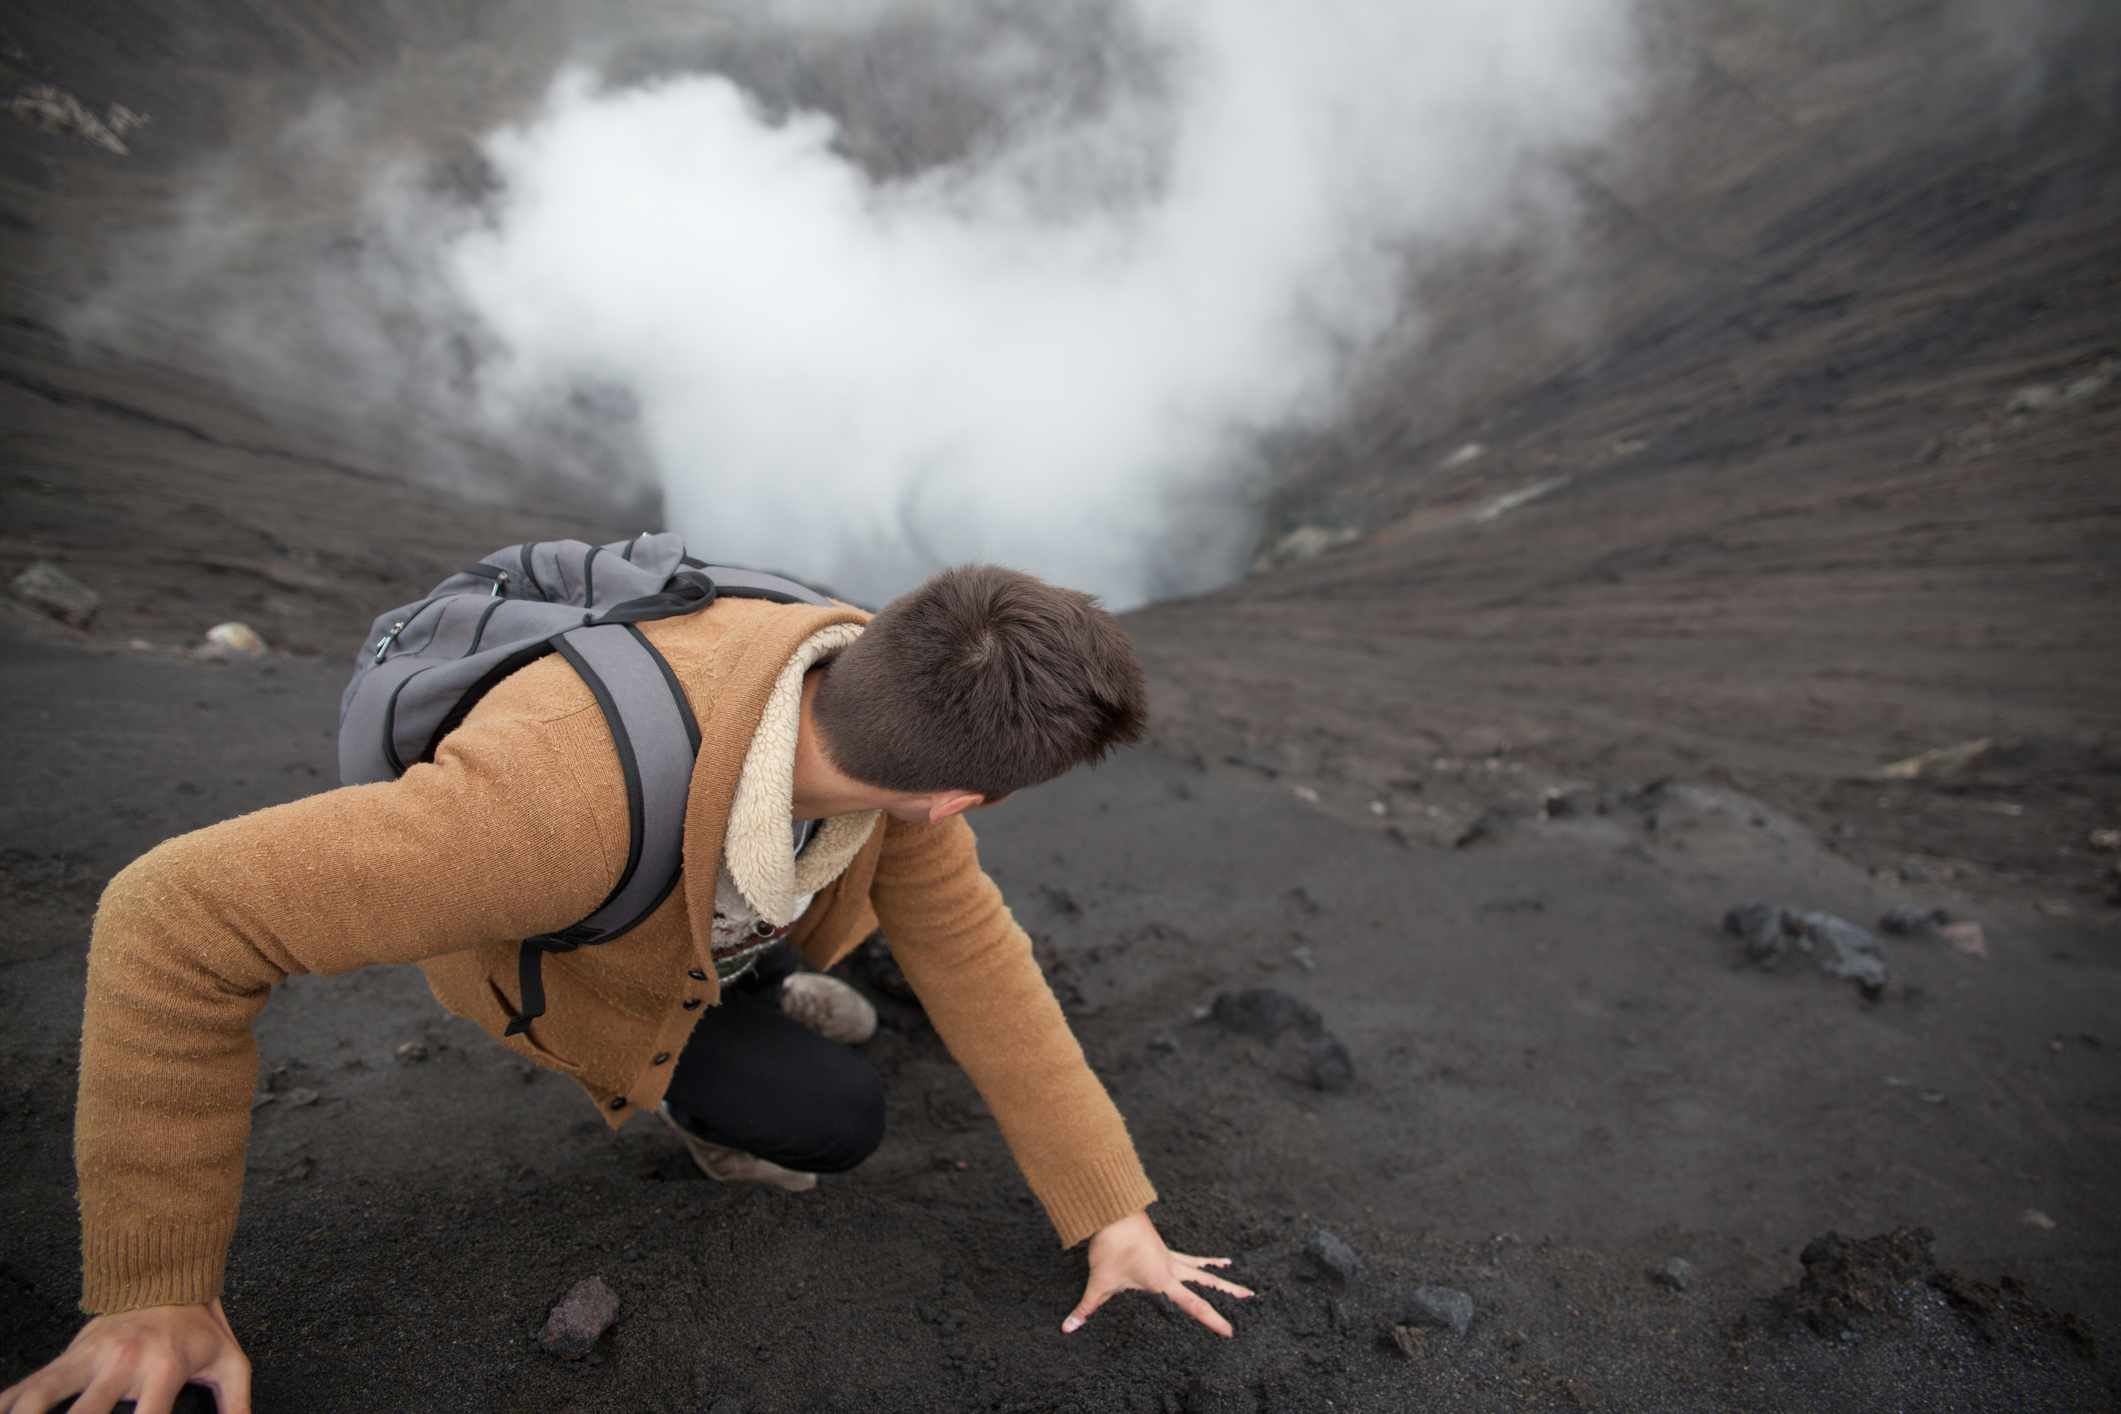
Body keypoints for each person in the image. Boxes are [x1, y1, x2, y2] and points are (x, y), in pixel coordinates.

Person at [1, 564, 1251, 1414]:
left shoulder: (866, 679)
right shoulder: (553, 814)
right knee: (831, 1116)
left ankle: (762, 966)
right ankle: (683, 1077)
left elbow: (977, 953)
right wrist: (154, 1288)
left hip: (724, 888)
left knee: (897, 941)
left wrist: (1111, 1214)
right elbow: (171, 913)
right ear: (954, 797)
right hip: (587, 954)